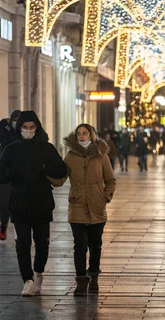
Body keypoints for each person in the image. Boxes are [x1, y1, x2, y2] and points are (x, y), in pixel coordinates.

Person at [0, 111, 67, 297]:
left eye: (31, 127)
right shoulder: (11, 149)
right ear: (19, 129)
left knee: (42, 243)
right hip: (19, 203)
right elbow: (0, 175)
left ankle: (39, 271)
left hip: (42, 202)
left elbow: (61, 170)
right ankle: (27, 280)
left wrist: (44, 168)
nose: (28, 131)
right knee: (23, 243)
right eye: (25, 128)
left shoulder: (46, 148)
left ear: (37, 128)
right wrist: (14, 171)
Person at [64, 124, 116, 295]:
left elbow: (110, 180)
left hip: (96, 205)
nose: (82, 136)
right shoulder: (71, 156)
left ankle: (93, 276)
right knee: (79, 245)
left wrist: (105, 196)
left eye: (85, 133)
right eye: (79, 133)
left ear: (92, 135)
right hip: (77, 203)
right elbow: (60, 177)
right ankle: (80, 281)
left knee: (95, 245)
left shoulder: (101, 156)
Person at [0, 109, 21, 241]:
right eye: (13, 121)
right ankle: (3, 224)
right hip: (4, 172)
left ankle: (19, 229)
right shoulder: (5, 130)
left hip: (20, 172)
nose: (16, 123)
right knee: (4, 202)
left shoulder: (24, 132)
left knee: (20, 201)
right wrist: (3, 123)